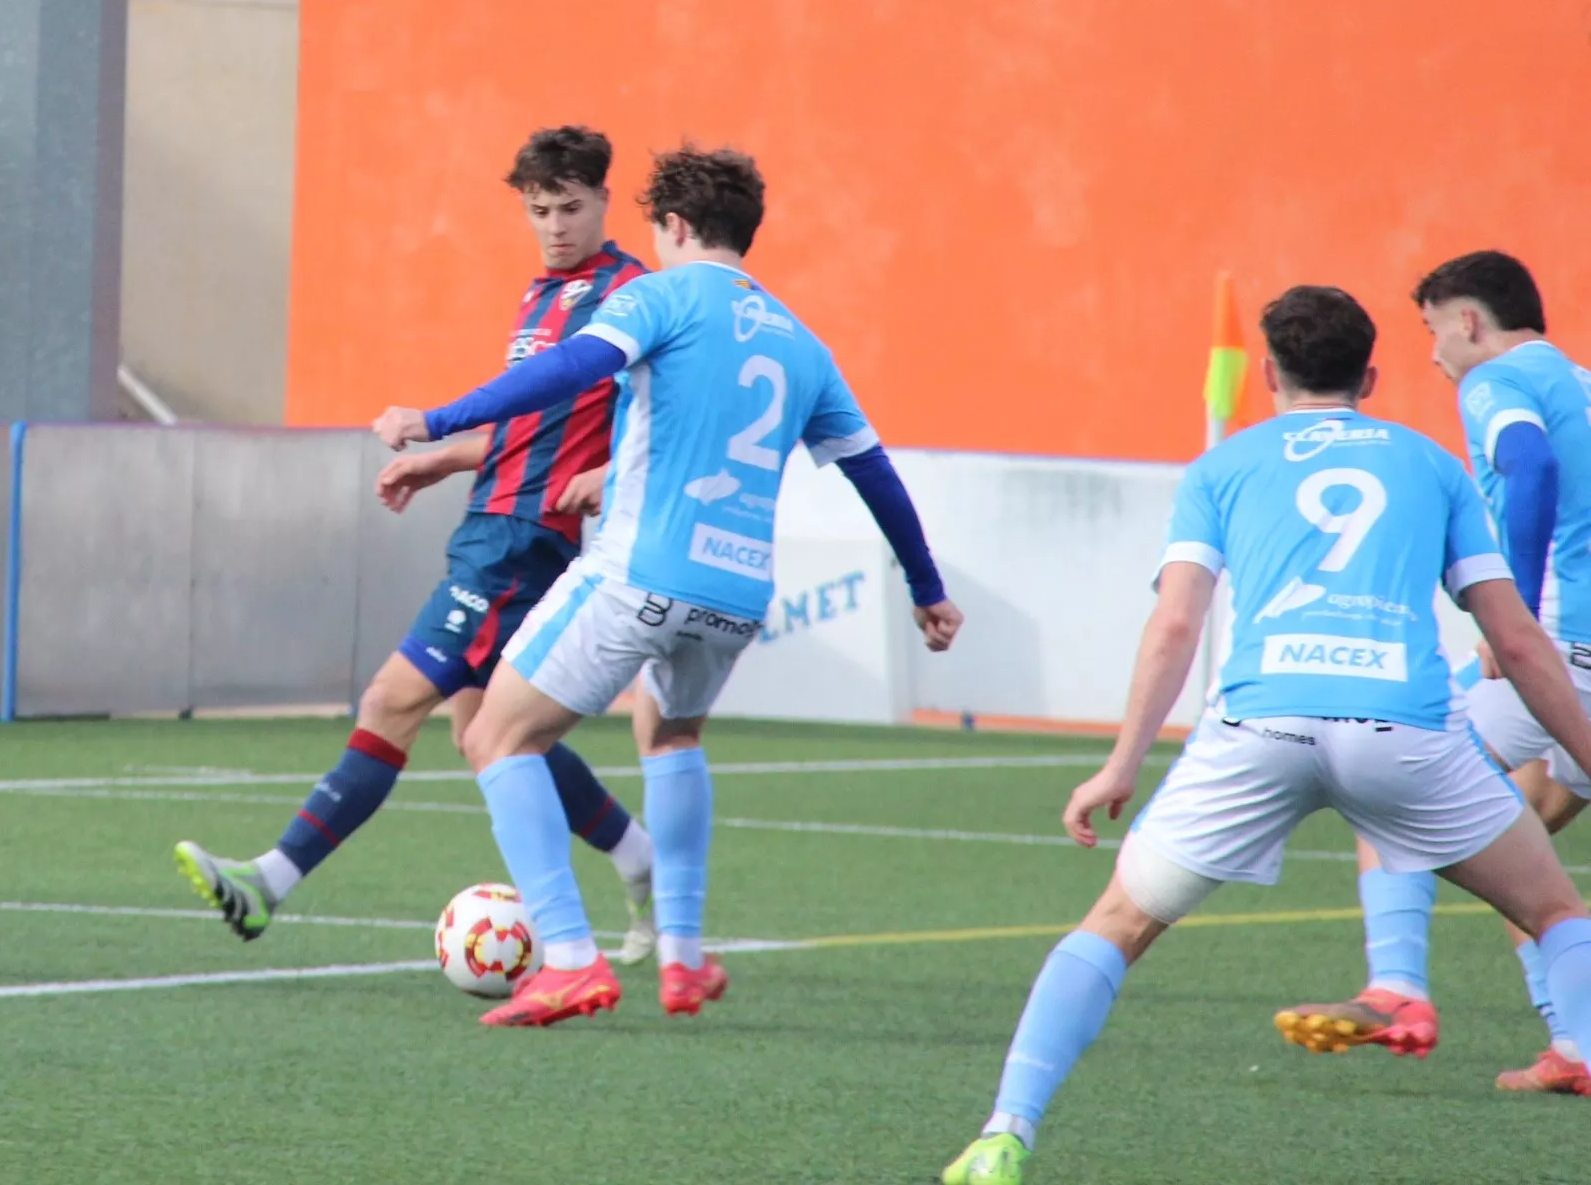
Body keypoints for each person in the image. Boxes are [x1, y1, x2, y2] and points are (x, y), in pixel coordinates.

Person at [941, 286, 1591, 1185]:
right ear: (1370, 376)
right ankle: (1557, 1039)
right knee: (1555, 913)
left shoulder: (1224, 465)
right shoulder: (1432, 464)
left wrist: (1121, 764)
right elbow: (1515, 639)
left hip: (1258, 727)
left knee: (1116, 923)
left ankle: (1004, 1131)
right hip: (1401, 731)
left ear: (1272, 374)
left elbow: (1176, 624)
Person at [372, 143, 960, 1027]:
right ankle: (682, 956)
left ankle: (570, 957)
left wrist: (438, 418)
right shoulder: (804, 344)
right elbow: (873, 472)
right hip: (737, 594)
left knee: (494, 734)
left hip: (640, 574)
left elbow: (566, 370)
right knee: (671, 732)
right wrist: (926, 588)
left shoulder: (659, 295)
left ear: (675, 226)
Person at [176, 126, 662, 951]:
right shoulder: (541, 295)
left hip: (522, 542)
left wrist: (611, 472)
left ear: (604, 201)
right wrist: (444, 459)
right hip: (491, 524)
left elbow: (663, 422)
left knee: (391, 701)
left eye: (570, 207)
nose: (554, 226)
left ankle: (269, 881)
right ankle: (639, 858)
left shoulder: (631, 295)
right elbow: (532, 426)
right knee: (489, 736)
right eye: (539, 210)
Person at [1274, 250, 1591, 1091]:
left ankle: (1397, 988)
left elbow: (1529, 464)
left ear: (1469, 321)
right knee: (1524, 854)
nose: (1433, 353)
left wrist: (1515, 611)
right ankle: (1577, 1046)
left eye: (1431, 329)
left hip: (1563, 648)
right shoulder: (1580, 384)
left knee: (1391, 781)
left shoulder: (1495, 382)